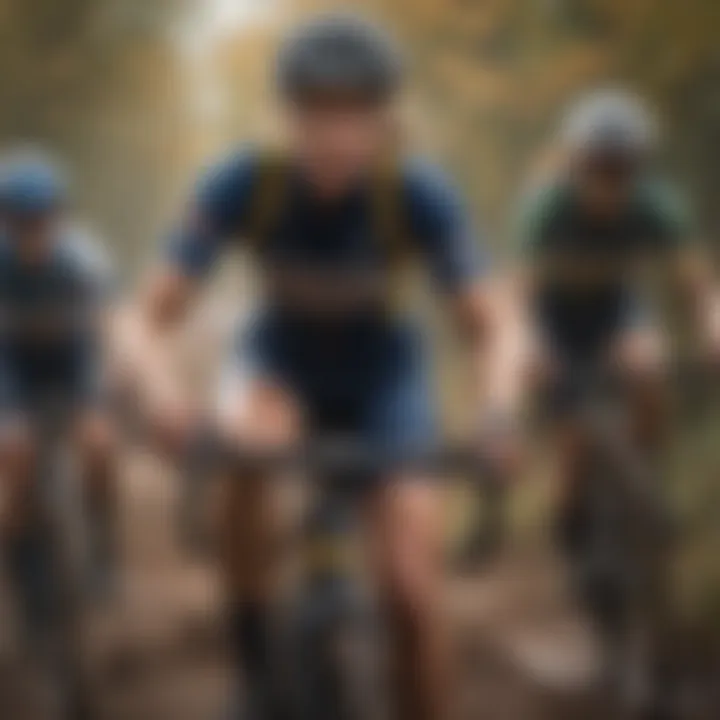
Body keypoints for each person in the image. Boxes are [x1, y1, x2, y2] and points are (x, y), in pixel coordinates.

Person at [120, 13, 521, 720]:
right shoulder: (244, 184)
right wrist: (164, 400)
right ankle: (252, 661)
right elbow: (144, 316)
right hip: (280, 369)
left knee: (410, 591)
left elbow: (495, 325)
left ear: (384, 117)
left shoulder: (416, 193)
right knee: (243, 451)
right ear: (287, 114)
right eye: (315, 110)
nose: (334, 133)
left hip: (385, 381)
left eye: (355, 112)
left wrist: (497, 414)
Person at [512, 88, 720, 561]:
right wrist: (528, 346)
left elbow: (699, 284)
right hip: (554, 319)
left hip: (615, 309)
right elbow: (516, 296)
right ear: (576, 165)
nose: (609, 183)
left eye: (622, 169)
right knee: (574, 442)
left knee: (649, 367)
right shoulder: (545, 207)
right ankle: (570, 525)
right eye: (598, 168)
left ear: (639, 168)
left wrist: (713, 327)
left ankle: (642, 476)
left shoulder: (655, 205)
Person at [0, 149, 119, 629]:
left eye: (42, 219)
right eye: (20, 222)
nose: (34, 232)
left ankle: (101, 547)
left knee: (99, 447)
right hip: (11, 369)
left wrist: (98, 402)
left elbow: (102, 336)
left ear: (59, 216)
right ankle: (24, 569)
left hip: (73, 365)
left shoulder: (83, 261)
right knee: (14, 456)